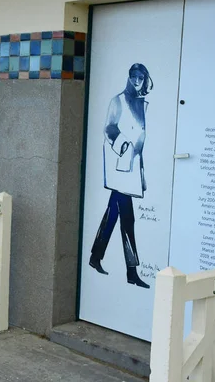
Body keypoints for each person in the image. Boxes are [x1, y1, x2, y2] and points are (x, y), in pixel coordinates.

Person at [89, 63, 153, 289]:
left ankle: (96, 256)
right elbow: (109, 128)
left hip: (132, 169)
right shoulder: (118, 100)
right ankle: (131, 271)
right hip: (121, 168)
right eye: (134, 76)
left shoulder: (141, 103)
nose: (137, 80)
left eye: (141, 77)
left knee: (114, 214)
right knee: (128, 219)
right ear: (129, 77)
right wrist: (125, 146)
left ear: (145, 79)